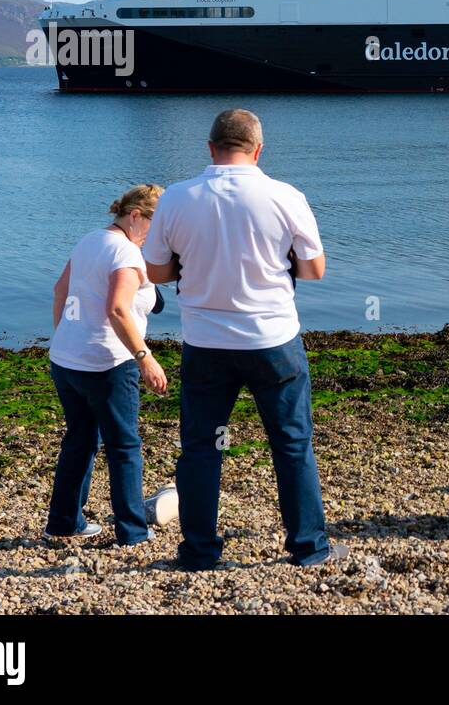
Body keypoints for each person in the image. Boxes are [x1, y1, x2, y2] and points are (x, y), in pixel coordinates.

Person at [144, 109, 346, 570]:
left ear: (210, 147)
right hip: (273, 340)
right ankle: (309, 548)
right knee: (292, 446)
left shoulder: (177, 198)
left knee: (201, 450)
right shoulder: (285, 196)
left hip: (206, 343)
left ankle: (198, 553)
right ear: (258, 150)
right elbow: (314, 269)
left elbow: (156, 271)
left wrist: (186, 266)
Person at [46, 184, 176, 545]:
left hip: (67, 361)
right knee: (124, 446)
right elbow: (117, 309)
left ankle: (63, 523)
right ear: (135, 216)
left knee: (80, 440)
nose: (158, 233)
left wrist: (67, 336)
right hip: (108, 364)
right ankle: (133, 531)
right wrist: (145, 357)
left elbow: (60, 289)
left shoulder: (90, 239)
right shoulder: (126, 253)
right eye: (155, 223)